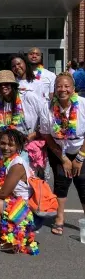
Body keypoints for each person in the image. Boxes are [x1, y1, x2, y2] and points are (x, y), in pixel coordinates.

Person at [40, 73, 85, 236]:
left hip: (81, 148)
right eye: (59, 86)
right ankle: (59, 219)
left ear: (73, 89)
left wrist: (80, 157)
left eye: (67, 86)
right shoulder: (48, 108)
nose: (63, 89)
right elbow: (46, 135)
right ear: (54, 89)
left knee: (82, 182)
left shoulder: (82, 104)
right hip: (59, 149)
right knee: (61, 182)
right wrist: (64, 159)